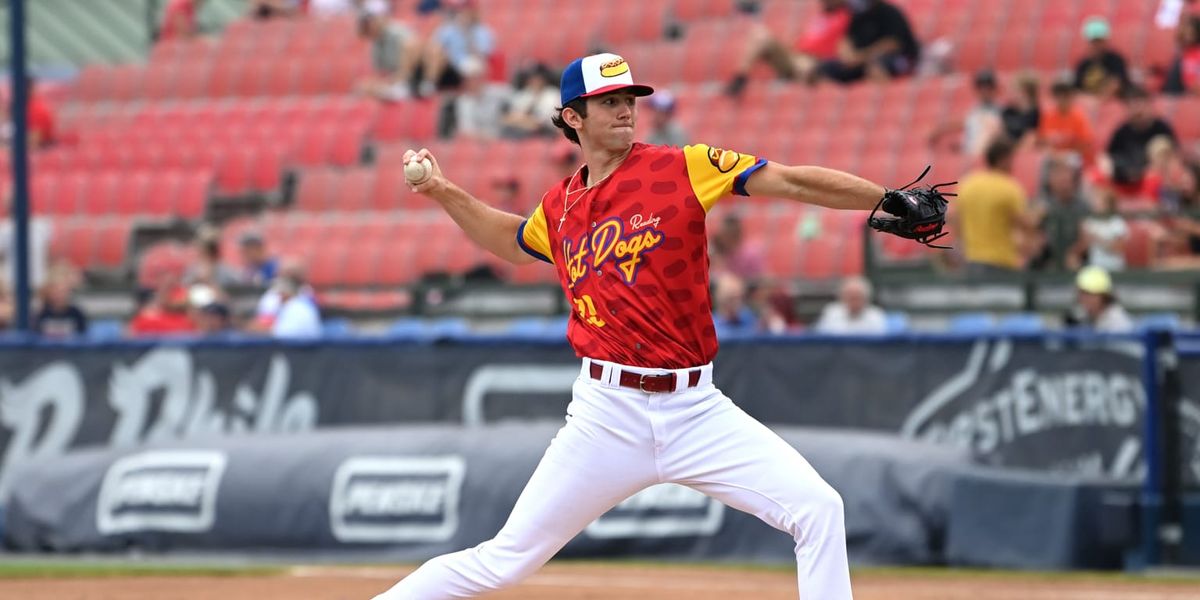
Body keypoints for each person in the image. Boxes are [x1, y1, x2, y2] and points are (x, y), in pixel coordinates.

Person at [372, 50, 919, 600]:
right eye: (607, 101)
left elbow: (793, 183)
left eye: (628, 99)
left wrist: (884, 198)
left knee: (819, 508)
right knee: (504, 560)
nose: (624, 110)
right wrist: (443, 191)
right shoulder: (560, 206)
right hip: (605, 416)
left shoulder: (685, 166)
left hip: (696, 408)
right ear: (572, 118)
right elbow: (512, 243)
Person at [724, 0, 853, 95]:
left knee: (806, 66)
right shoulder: (820, 16)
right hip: (795, 56)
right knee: (760, 34)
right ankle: (740, 79)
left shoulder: (846, 17)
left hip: (817, 61)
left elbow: (845, 49)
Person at [817, 0, 920, 85]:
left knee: (875, 68)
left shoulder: (889, 12)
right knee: (824, 69)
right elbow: (847, 39)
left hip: (901, 59)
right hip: (863, 60)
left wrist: (860, 57)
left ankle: (885, 101)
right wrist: (848, 56)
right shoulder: (859, 16)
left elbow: (893, 44)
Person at [416, 0, 495, 97]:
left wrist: (467, 33)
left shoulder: (482, 31)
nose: (463, 14)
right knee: (434, 52)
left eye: (467, 11)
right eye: (461, 11)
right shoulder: (449, 29)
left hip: (470, 62)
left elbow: (481, 55)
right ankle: (428, 84)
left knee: (474, 65)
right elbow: (433, 46)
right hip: (450, 66)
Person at [1106, 86, 1177, 192]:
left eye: (1140, 105)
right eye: (1132, 106)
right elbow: (1110, 157)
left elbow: (1174, 156)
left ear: (1149, 105)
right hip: (1127, 180)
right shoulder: (1121, 132)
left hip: (1157, 179)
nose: (1137, 111)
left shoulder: (1161, 128)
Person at [356, 0, 422, 102]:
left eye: (369, 24)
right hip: (395, 79)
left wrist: (393, 79)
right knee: (363, 87)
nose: (368, 28)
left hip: (413, 77)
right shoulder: (376, 44)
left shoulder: (397, 32)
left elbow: (413, 55)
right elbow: (381, 73)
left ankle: (405, 90)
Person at [927, 69, 1003, 156]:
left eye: (988, 87)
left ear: (995, 88)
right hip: (969, 157)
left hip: (986, 157)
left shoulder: (1001, 112)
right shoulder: (974, 111)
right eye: (981, 87)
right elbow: (961, 123)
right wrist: (939, 131)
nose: (984, 91)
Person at [1038, 75, 1096, 164]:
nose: (1061, 98)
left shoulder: (1079, 117)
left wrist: (1065, 154)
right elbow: (1043, 140)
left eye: (1065, 94)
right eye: (1058, 94)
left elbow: (1085, 145)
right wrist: (1053, 153)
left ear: (1071, 96)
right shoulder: (1048, 115)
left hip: (1075, 159)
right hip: (1054, 158)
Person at [1073, 187, 1129, 272]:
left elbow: (1118, 248)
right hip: (1095, 268)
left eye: (1099, 201)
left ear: (1108, 205)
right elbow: (1082, 248)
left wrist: (1097, 239)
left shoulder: (1117, 222)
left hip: (1115, 268)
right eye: (1095, 201)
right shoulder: (1089, 222)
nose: (1095, 204)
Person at [1073, 16, 1130, 98]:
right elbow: (1077, 89)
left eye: (1099, 41)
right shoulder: (1083, 64)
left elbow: (1116, 83)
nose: (1096, 45)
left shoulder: (1115, 60)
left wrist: (1098, 101)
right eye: (1093, 41)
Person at [498, 64, 559, 139]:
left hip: (547, 134)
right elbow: (507, 119)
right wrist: (524, 121)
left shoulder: (553, 94)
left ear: (544, 79)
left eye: (537, 78)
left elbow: (539, 124)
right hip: (522, 132)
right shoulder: (524, 94)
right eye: (531, 78)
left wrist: (522, 120)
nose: (534, 81)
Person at [1067, 265, 1133, 332]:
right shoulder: (1081, 316)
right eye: (1081, 293)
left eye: (1089, 294)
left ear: (1103, 297)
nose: (1083, 299)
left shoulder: (1119, 322)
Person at [814, 276, 887, 334]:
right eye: (850, 298)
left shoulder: (876, 315)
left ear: (866, 299)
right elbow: (820, 338)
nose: (854, 302)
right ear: (842, 298)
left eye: (857, 297)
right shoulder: (831, 312)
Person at [33, 273, 87, 338]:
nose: (60, 295)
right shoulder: (41, 313)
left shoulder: (76, 313)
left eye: (63, 291)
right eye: (56, 291)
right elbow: (35, 336)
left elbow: (83, 336)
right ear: (49, 292)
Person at [269, 273, 322, 339]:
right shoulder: (301, 303)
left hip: (302, 346)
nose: (278, 298)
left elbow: (283, 335)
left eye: (280, 294)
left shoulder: (295, 307)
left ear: (285, 294)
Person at [1162, 14, 1200, 95]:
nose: (1184, 35)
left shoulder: (1196, 54)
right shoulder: (1182, 54)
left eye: (1189, 33)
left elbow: (1192, 83)